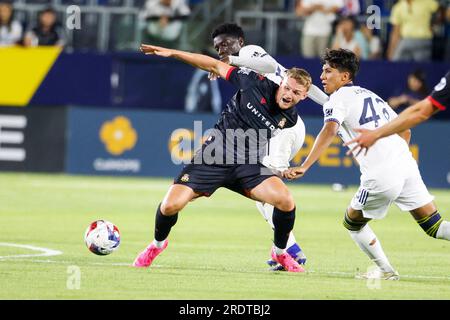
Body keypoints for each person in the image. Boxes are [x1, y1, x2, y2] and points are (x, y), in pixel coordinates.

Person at [134, 43, 313, 272]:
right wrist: (175, 53)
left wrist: (279, 172)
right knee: (170, 206)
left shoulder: (289, 118)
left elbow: (261, 143)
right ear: (282, 82)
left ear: (304, 96)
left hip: (247, 166)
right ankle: (156, 245)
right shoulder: (253, 83)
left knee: (286, 201)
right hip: (214, 156)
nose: (288, 95)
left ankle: (280, 253)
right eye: (287, 87)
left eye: (296, 93)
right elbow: (213, 65)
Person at [284, 49, 450, 280]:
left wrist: (305, 165)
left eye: (328, 71)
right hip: (406, 165)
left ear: (344, 77)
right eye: (323, 70)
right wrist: (393, 154)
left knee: (352, 222)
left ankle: (386, 271)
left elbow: (329, 129)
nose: (322, 76)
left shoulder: (338, 99)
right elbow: (406, 130)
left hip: (382, 173)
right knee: (435, 226)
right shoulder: (371, 96)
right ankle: (386, 271)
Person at [210, 22, 329, 267]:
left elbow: (268, 66)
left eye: (227, 44)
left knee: (263, 187)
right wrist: (330, 105)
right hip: (280, 127)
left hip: (284, 127)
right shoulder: (242, 63)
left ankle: (288, 250)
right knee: (260, 189)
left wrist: (232, 60)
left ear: (240, 42)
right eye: (218, 46)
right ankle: (285, 247)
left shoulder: (249, 52)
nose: (222, 49)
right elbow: (304, 85)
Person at [344, 70, 449, 155]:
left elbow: (421, 112)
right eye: (414, 79)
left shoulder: (422, 94)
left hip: (407, 127)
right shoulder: (402, 91)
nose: (414, 82)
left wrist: (375, 134)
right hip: (396, 126)